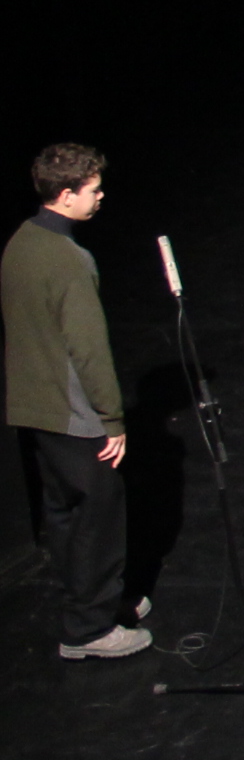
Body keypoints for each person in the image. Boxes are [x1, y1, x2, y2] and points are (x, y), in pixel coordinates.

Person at [5, 144, 147, 659]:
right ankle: (89, 629)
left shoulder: (22, 240)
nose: (101, 196)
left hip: (34, 405)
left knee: (64, 514)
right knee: (98, 517)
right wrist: (112, 420)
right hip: (73, 412)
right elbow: (88, 349)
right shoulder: (70, 259)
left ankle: (90, 605)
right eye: (93, 190)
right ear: (66, 195)